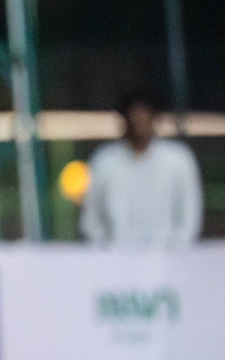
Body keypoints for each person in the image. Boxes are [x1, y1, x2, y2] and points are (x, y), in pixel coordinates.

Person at [80, 90, 203, 248]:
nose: (139, 120)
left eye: (144, 114)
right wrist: (108, 253)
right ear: (124, 119)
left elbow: (189, 218)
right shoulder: (104, 161)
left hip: (168, 261)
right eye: (134, 114)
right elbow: (91, 222)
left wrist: (174, 253)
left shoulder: (178, 159)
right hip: (116, 262)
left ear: (154, 118)